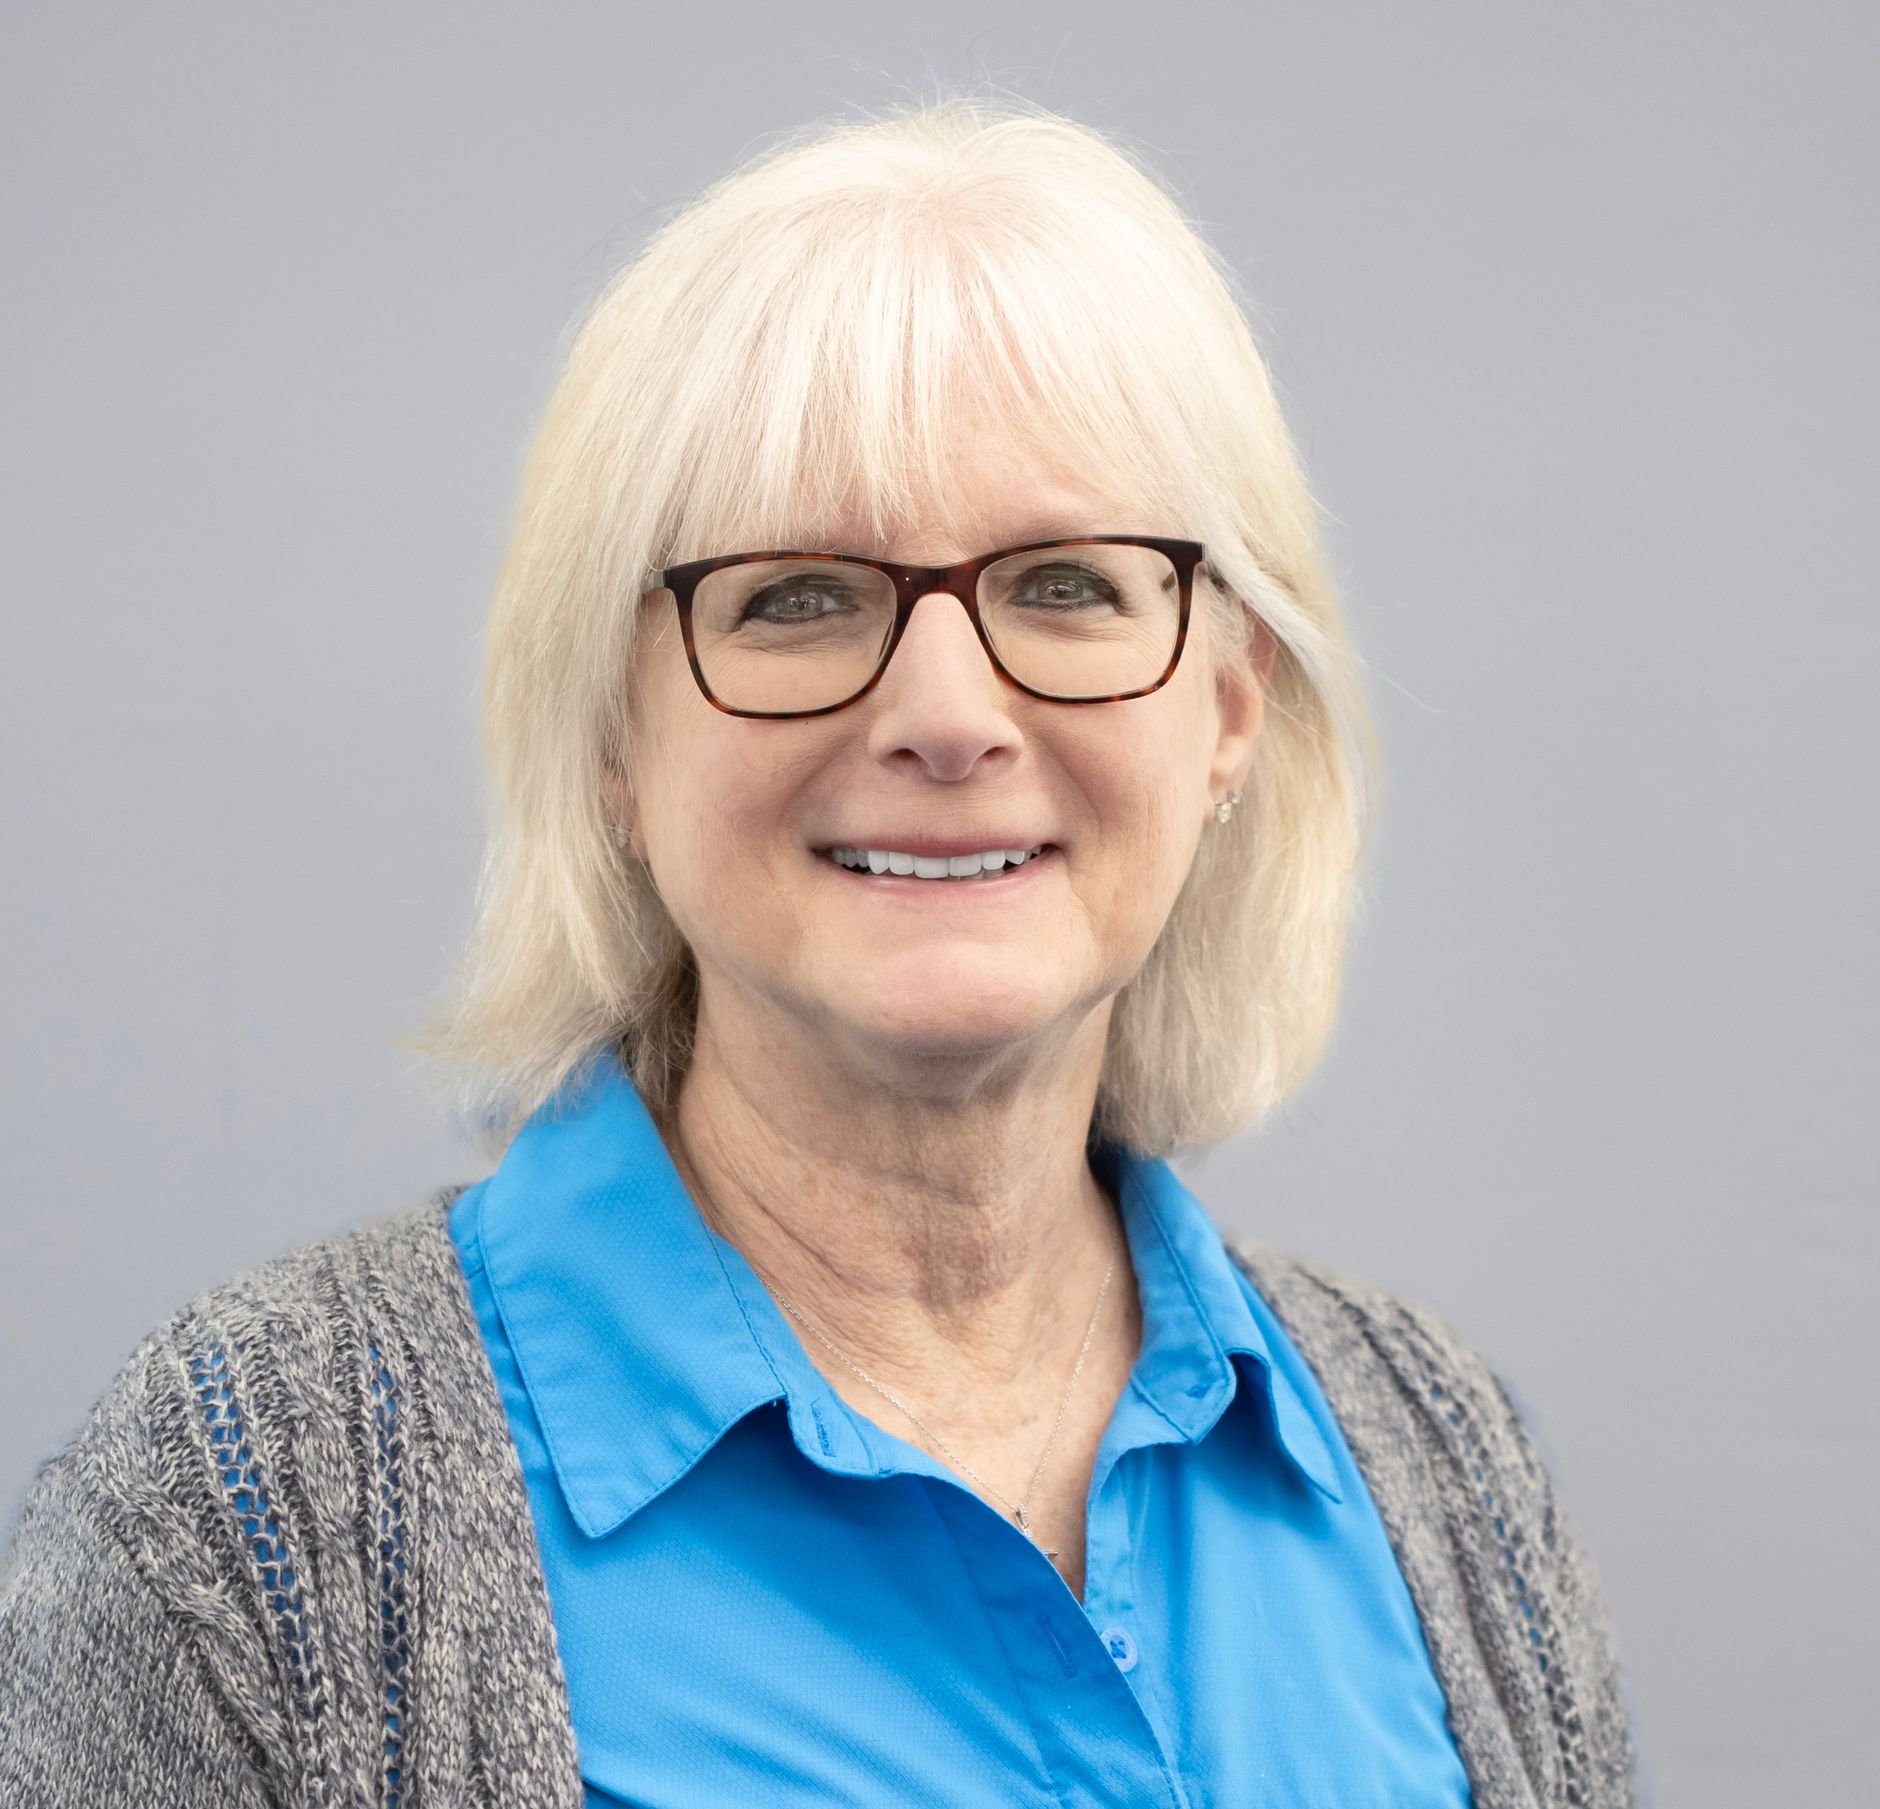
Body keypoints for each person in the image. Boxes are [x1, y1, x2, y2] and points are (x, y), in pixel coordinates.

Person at [0, 98, 1638, 1806]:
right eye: (798, 596)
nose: (946, 717)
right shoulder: (242, 1513)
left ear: (1227, 712)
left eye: (1069, 585)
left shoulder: (1445, 1472)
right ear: (614, 742)